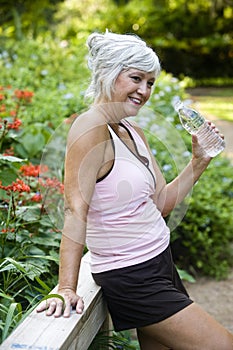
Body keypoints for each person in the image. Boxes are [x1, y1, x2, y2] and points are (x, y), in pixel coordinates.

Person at [36, 31, 233, 350]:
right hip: (132, 276)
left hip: (159, 262)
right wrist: (65, 286)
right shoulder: (90, 128)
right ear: (108, 74)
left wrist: (199, 160)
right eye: (136, 78)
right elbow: (75, 209)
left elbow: (161, 204)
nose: (144, 90)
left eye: (151, 82)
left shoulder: (131, 128)